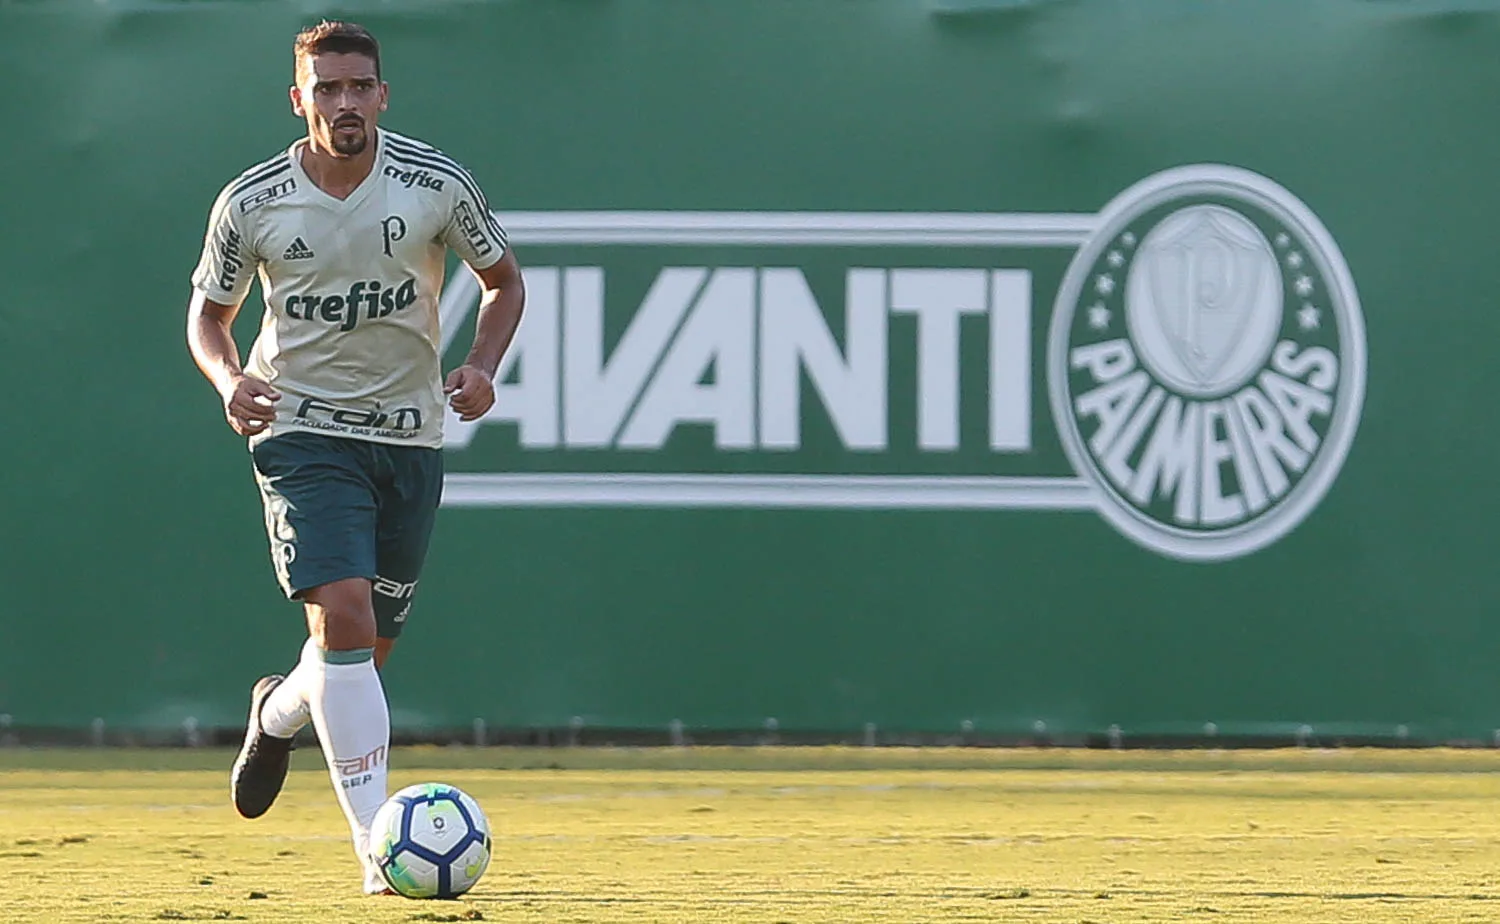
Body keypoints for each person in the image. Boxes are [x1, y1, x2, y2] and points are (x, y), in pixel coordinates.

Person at [184, 19, 524, 894]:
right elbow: (209, 317)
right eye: (325, 88)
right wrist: (228, 379)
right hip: (299, 428)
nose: (344, 102)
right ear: (298, 101)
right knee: (343, 614)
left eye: (357, 86)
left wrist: (482, 363)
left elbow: (504, 279)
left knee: (361, 655)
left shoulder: (435, 183)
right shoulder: (252, 202)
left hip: (408, 434)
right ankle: (377, 847)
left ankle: (279, 707)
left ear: (382, 94)